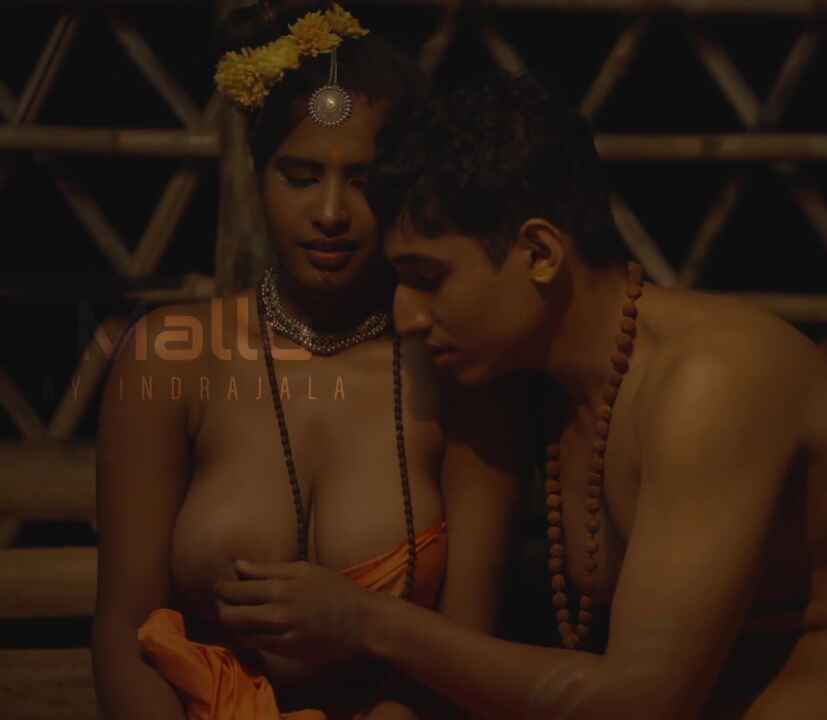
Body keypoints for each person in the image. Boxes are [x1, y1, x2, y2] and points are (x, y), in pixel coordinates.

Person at [213, 71, 827, 718]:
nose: (408, 316)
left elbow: (640, 704)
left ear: (540, 253)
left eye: (429, 278)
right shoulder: (548, 390)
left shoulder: (714, 383)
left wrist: (367, 622)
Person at [91, 5, 522, 718]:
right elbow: (124, 630)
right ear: (258, 178)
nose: (329, 212)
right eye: (299, 176)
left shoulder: (454, 368)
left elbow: (471, 649)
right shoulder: (171, 358)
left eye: (364, 181)